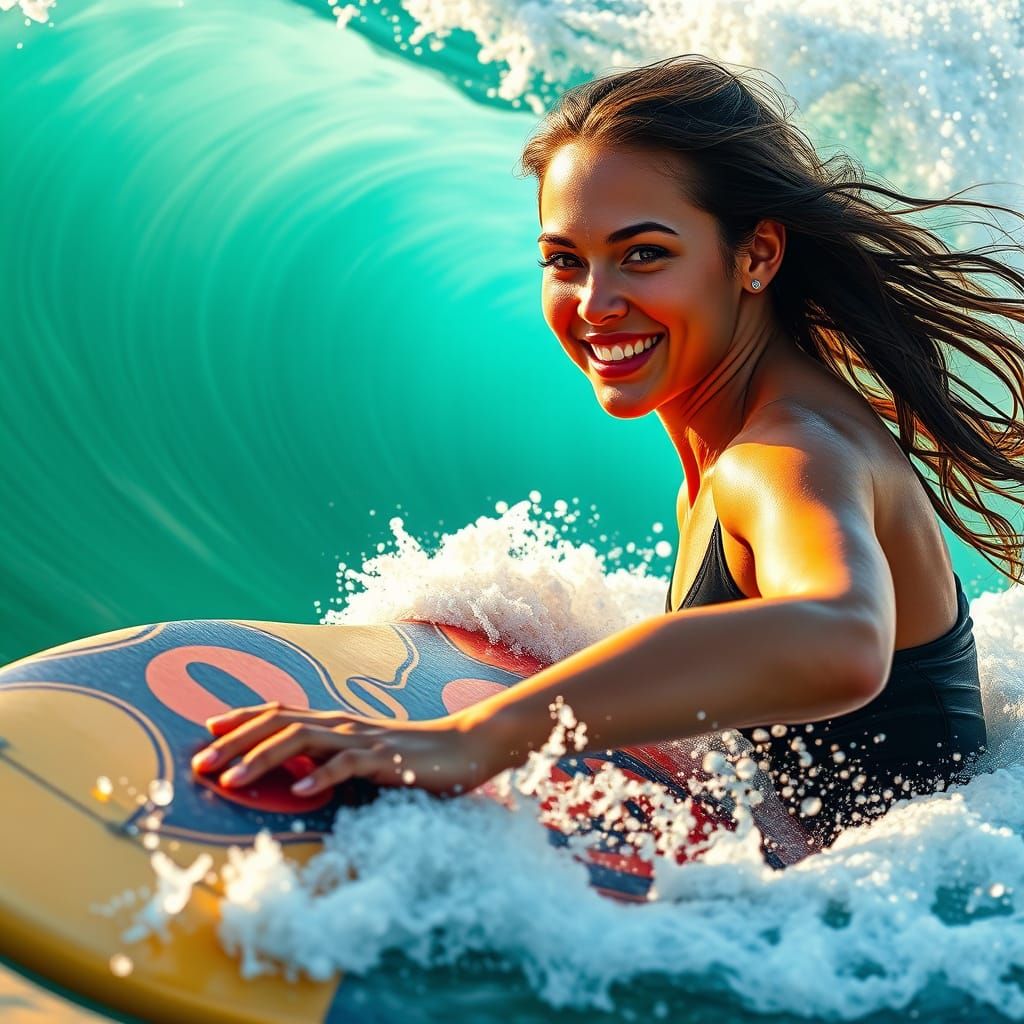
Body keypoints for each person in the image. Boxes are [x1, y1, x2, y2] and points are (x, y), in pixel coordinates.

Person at [192, 54, 1024, 859]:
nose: (595, 304)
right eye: (565, 260)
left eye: (643, 254)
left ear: (756, 256)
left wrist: (475, 737)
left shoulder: (778, 455)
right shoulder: (739, 435)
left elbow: (844, 636)